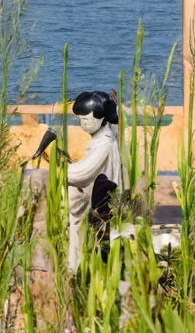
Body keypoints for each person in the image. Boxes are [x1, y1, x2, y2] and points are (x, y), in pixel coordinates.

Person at [65, 90, 125, 270]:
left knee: (87, 242)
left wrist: (60, 170)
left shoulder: (104, 143)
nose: (82, 124)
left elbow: (82, 173)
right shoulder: (103, 139)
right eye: (80, 120)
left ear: (100, 119)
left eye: (86, 120)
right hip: (99, 198)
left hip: (99, 205)